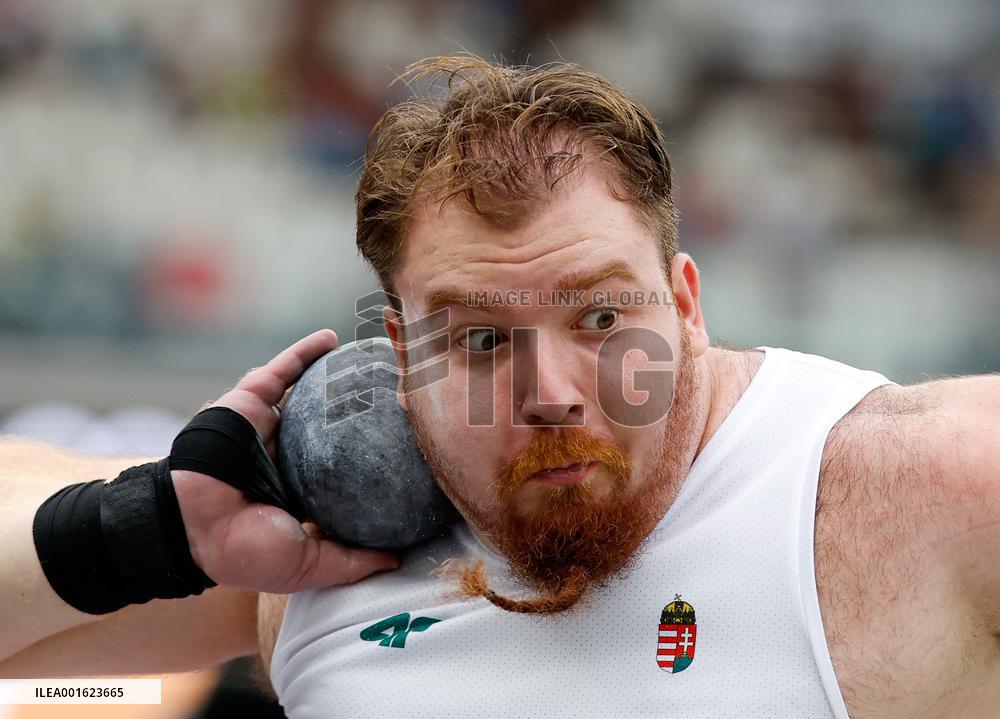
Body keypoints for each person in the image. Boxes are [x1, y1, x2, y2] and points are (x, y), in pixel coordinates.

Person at [1, 54, 998, 718]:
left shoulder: (903, 492)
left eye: (601, 318)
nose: (549, 393)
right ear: (402, 357)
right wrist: (149, 530)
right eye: (480, 338)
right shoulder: (320, 558)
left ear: (686, 305)